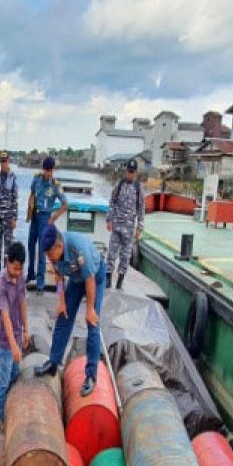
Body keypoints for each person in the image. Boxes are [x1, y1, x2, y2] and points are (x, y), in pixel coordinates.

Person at [33, 224, 105, 397]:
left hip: (94, 277)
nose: (50, 259)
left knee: (92, 323)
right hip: (76, 279)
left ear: (59, 246)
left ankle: (91, 376)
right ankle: (53, 362)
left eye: (51, 255)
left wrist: (90, 309)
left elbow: (89, 279)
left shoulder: (77, 248)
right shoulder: (55, 256)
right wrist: (62, 301)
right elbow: (58, 276)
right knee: (63, 317)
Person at [0, 241, 28, 426]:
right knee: (4, 379)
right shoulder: (0, 284)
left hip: (17, 332)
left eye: (20, 269)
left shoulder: (20, 278)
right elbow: (5, 316)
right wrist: (13, 345)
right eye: (14, 269)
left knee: (15, 374)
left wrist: (26, 330)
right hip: (5, 339)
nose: (17, 273)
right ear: (8, 262)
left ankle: (11, 406)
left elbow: (22, 302)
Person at [26, 156, 68, 291]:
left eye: (49, 170)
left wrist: (54, 217)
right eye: (45, 170)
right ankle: (30, 273)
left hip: (45, 217)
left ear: (53, 170)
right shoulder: (36, 179)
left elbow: (65, 204)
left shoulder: (56, 185)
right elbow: (32, 193)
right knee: (31, 245)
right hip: (35, 216)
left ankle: (40, 283)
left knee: (42, 250)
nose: (47, 173)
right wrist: (29, 209)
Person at [106, 160, 144, 290]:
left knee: (125, 257)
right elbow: (112, 202)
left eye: (133, 172)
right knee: (111, 254)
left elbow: (141, 209)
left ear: (136, 172)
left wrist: (140, 227)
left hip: (129, 229)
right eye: (129, 171)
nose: (131, 174)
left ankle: (120, 282)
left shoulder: (138, 188)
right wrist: (109, 220)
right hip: (117, 226)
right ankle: (108, 280)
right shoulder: (119, 185)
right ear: (126, 171)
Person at [0, 151, 18, 280]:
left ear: (8, 161)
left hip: (8, 217)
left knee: (8, 246)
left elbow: (15, 199)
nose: (3, 163)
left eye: (5, 161)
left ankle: (7, 272)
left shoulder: (13, 177)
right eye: (1, 161)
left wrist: (15, 218)